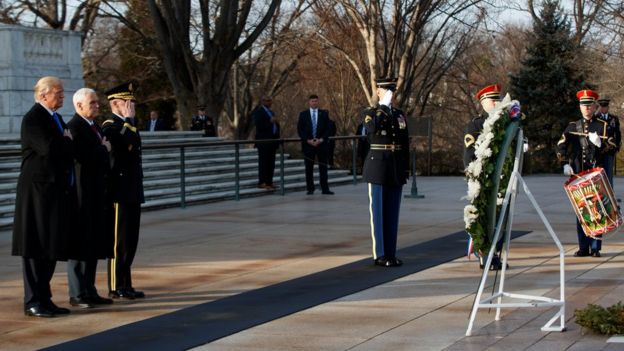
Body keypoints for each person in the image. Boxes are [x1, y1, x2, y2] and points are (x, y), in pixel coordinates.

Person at [12, 76, 74, 317]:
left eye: (62, 92)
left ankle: (45, 298)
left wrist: (66, 144)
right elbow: (50, 149)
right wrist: (66, 143)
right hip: (36, 192)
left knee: (50, 245)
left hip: (54, 190)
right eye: (57, 93)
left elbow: (68, 150)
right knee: (35, 246)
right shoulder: (34, 119)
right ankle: (32, 300)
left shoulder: (56, 118)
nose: (61, 96)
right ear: (43, 95)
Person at [66, 88, 114, 308]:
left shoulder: (93, 126)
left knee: (93, 243)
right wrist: (104, 150)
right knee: (79, 245)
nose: (97, 105)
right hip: (81, 195)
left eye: (97, 102)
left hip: (96, 193)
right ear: (79, 106)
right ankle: (77, 293)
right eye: (92, 103)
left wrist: (103, 152)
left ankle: (90, 289)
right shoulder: (74, 127)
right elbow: (84, 158)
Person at [557, 89, 616, 258]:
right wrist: (564, 164)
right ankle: (583, 246)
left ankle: (596, 247)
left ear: (594, 106)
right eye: (584, 106)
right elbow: (560, 146)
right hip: (579, 174)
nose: (586, 109)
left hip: (596, 174)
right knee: (581, 210)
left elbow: (613, 147)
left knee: (597, 209)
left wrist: (600, 145)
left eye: (589, 106)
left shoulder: (603, 126)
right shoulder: (572, 126)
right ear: (580, 107)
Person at [102, 82, 146, 299]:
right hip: (119, 192)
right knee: (119, 242)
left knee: (130, 240)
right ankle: (115, 286)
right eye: (128, 103)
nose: (132, 107)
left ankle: (126, 284)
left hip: (132, 189)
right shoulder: (110, 126)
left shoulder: (128, 125)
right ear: (117, 104)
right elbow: (125, 148)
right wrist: (129, 122)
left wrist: (130, 123)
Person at [362, 77, 410, 267]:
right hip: (378, 167)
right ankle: (380, 254)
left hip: (395, 166)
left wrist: (405, 167)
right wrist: (382, 106)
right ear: (379, 91)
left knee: (392, 212)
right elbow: (372, 128)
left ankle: (391, 252)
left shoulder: (399, 114)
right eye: (386, 90)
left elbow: (405, 142)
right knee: (379, 211)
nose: (390, 94)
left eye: (392, 90)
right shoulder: (370, 112)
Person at [463, 84, 505, 270]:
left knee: (502, 217)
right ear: (483, 103)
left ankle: (496, 253)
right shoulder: (476, 125)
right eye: (492, 99)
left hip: (503, 178)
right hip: (484, 178)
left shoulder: (506, 123)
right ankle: (486, 255)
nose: (496, 102)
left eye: (498, 99)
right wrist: (473, 176)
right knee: (485, 218)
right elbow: (469, 153)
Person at [297, 94, 334, 195]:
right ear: (309, 102)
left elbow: (328, 129)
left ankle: (325, 188)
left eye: (316, 101)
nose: (314, 103)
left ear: (318, 102)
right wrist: (308, 140)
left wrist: (321, 140)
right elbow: (300, 130)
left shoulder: (324, 114)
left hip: (321, 144)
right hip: (308, 145)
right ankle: (310, 188)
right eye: (312, 101)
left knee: (323, 167)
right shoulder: (303, 114)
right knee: (309, 167)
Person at [253, 96, 281, 190]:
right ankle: (262, 182)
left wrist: (276, 123)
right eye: (268, 101)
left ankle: (269, 182)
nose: (270, 102)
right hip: (264, 142)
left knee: (271, 163)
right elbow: (259, 126)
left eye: (270, 100)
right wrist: (270, 122)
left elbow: (275, 125)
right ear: (263, 101)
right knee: (263, 163)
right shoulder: (259, 112)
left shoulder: (271, 112)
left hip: (273, 141)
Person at [595, 97, 621, 186]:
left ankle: (610, 194)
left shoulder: (614, 119)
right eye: (601, 106)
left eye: (605, 106)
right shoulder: (595, 118)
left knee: (609, 173)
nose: (603, 108)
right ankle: (600, 195)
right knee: (598, 174)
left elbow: (617, 134)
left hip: (609, 150)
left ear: (608, 107)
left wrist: (617, 147)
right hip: (598, 150)